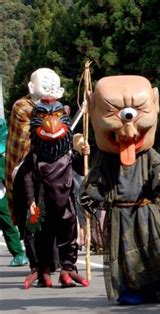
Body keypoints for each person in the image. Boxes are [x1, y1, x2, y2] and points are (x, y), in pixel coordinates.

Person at [80, 75, 160, 304]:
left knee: (154, 251)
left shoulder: (148, 154)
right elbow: (94, 182)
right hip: (119, 214)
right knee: (126, 255)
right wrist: (92, 194)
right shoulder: (105, 158)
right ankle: (131, 291)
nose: (128, 128)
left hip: (145, 211)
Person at [16, 96, 89, 288]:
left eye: (56, 114)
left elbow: (82, 170)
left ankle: (68, 269)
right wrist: (30, 200)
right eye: (43, 115)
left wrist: (83, 155)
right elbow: (26, 177)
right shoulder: (34, 155)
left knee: (68, 235)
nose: (51, 121)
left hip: (66, 201)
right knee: (42, 237)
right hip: (42, 202)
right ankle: (43, 271)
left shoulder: (68, 154)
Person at [6, 68, 64, 286]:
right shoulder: (23, 107)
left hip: (52, 171)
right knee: (32, 217)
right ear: (31, 87)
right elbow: (36, 133)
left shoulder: (58, 109)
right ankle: (37, 264)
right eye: (44, 84)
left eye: (53, 85)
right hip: (27, 169)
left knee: (56, 214)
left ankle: (55, 261)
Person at [0, 119, 28, 267]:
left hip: (1, 195)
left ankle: (19, 254)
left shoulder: (4, 155)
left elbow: (6, 174)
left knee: (8, 225)